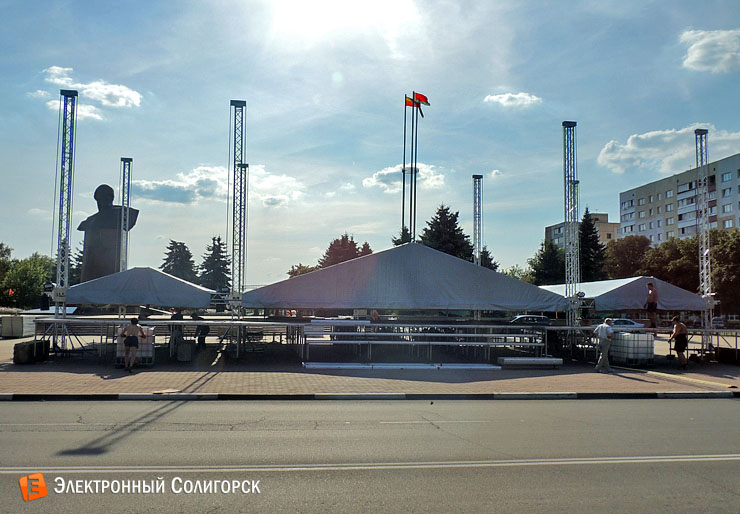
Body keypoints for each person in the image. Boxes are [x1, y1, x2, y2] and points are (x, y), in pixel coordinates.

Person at [77, 184, 139, 282]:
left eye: (105, 198)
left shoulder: (124, 214)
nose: (102, 201)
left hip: (112, 269)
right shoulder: (90, 220)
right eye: (99, 199)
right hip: (92, 271)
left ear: (111, 198)